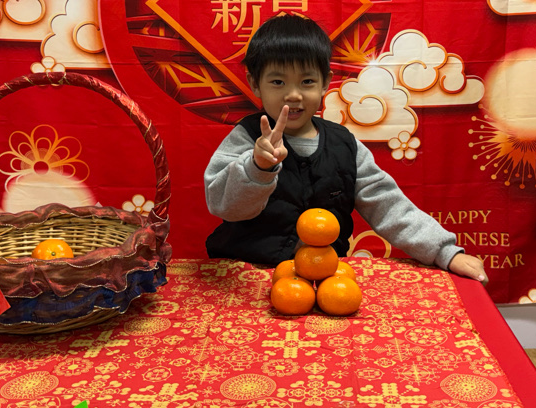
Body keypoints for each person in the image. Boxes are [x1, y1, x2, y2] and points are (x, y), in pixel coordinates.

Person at [204, 14, 488, 282]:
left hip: (325, 279)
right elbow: (224, 206)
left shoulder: (345, 145)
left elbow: (389, 206)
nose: (293, 94)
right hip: (247, 278)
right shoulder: (246, 137)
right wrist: (258, 167)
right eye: (278, 82)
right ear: (255, 83)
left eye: (307, 81)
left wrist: (444, 252)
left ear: (325, 83)